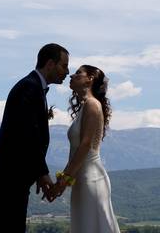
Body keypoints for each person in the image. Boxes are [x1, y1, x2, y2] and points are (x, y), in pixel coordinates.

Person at [0, 43, 69, 232]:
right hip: (9, 172)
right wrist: (42, 172)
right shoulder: (29, 88)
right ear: (49, 64)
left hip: (12, 172)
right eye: (63, 65)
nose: (67, 71)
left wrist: (37, 172)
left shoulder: (33, 87)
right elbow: (27, 135)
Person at [49, 64, 121, 233]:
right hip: (82, 179)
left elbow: (85, 145)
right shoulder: (86, 106)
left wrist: (64, 180)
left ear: (90, 79)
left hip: (91, 179)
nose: (71, 76)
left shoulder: (92, 105)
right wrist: (65, 179)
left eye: (78, 73)